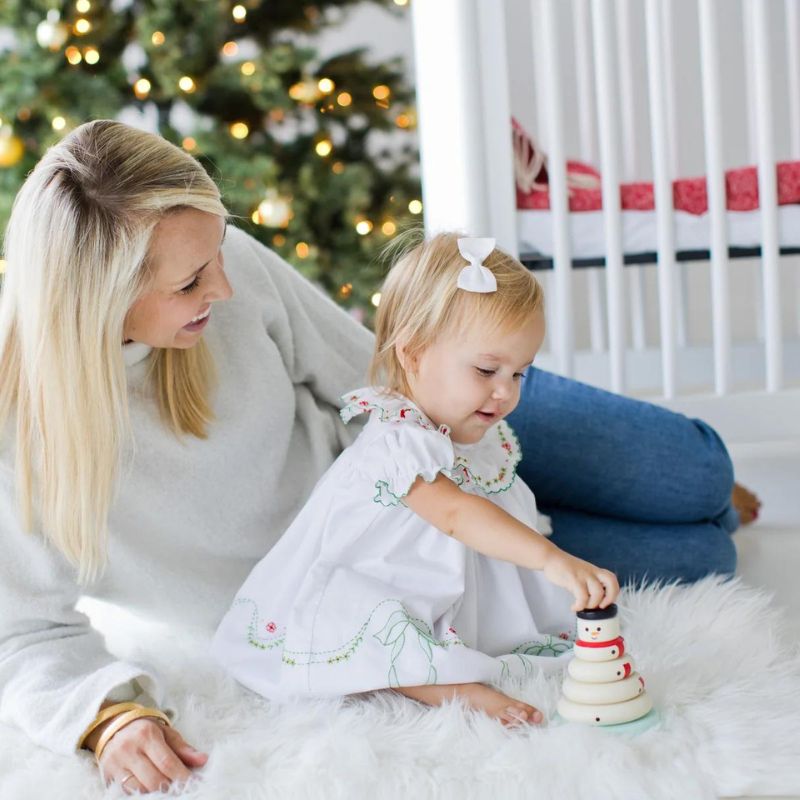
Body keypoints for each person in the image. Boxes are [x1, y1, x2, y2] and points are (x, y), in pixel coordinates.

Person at [0, 120, 754, 794]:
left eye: (219, 254)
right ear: (99, 298)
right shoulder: (21, 427)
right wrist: (105, 717)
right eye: (192, 283)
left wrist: (468, 451)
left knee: (693, 472)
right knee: (701, 556)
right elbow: (24, 629)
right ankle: (706, 515)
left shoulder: (221, 272)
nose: (223, 288)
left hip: (425, 416)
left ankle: (706, 494)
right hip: (373, 572)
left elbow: (365, 372)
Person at [212, 233, 620, 726]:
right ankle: (441, 684)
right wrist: (552, 561)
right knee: (380, 626)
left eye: (520, 375)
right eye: (488, 369)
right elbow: (455, 514)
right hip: (384, 578)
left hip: (450, 585)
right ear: (414, 355)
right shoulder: (400, 441)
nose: (505, 392)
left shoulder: (474, 430)